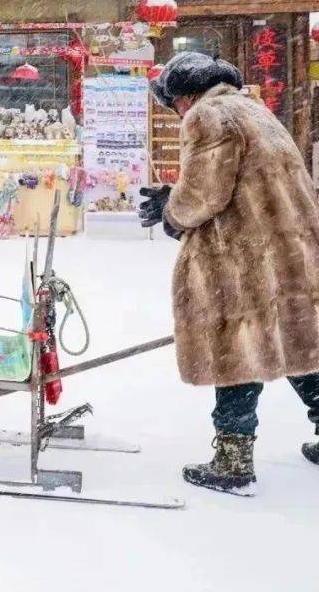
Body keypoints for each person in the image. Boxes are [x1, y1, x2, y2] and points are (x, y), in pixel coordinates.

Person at [143, 51, 319, 494]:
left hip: (245, 259)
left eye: (174, 103)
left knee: (237, 349)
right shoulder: (253, 110)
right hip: (289, 250)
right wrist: (173, 195)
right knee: (295, 342)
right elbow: (243, 179)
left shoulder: (208, 115)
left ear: (184, 95)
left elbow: (205, 193)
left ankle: (232, 460)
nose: (178, 111)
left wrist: (171, 212)